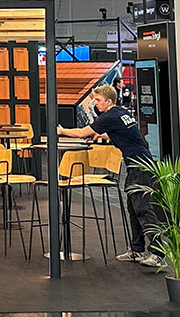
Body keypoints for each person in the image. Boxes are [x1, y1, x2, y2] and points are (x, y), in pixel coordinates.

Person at [57, 83, 161, 267]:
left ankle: (158, 253)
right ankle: (137, 250)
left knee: (142, 209)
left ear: (109, 101)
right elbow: (121, 134)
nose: (96, 103)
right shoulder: (121, 113)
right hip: (140, 164)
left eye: (98, 100)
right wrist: (101, 136)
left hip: (140, 166)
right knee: (133, 209)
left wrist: (62, 130)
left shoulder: (109, 116)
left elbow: (82, 133)